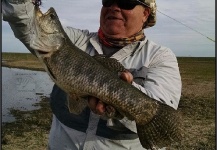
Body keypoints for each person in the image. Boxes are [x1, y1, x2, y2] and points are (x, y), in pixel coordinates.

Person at [3, 0, 182, 149]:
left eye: (127, 2)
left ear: (146, 14)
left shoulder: (160, 57)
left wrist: (121, 97)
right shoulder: (73, 40)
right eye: (108, 1)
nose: (114, 7)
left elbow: (162, 104)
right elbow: (25, 21)